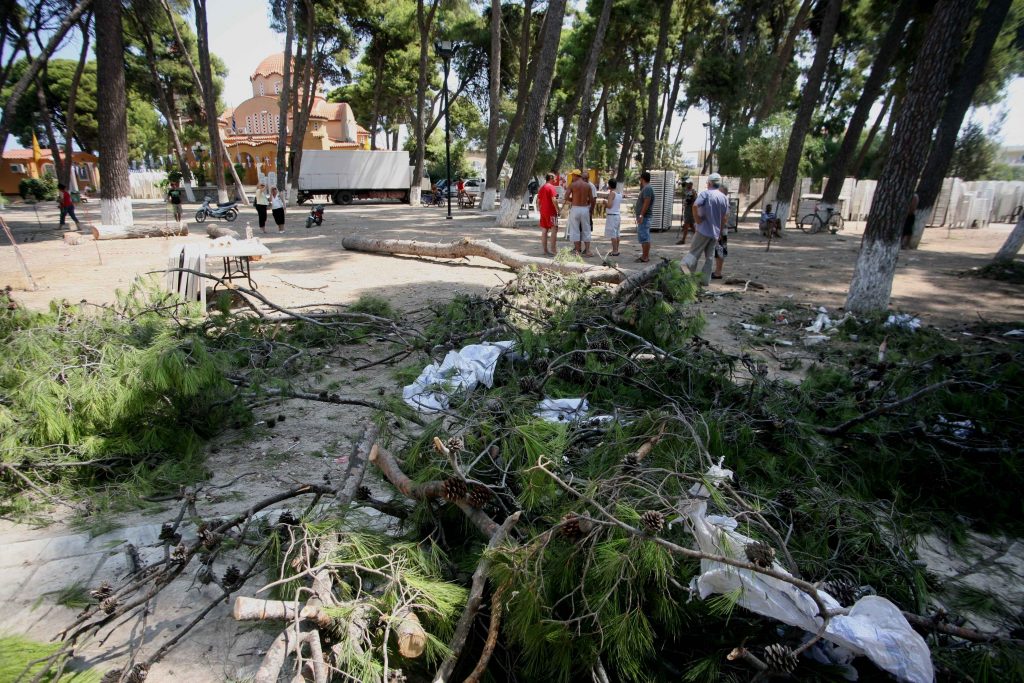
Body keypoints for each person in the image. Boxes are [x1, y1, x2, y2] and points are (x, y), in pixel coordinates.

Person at [683, 172, 729, 285]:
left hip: (703, 230)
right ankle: (704, 280)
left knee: (693, 253)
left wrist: (697, 220)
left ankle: (687, 277)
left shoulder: (706, 194)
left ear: (709, 183)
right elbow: (725, 217)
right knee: (709, 257)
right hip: (715, 232)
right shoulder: (723, 197)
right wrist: (720, 232)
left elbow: (695, 206)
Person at [564, 169, 594, 256]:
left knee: (575, 229)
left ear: (576, 175)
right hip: (584, 208)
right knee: (586, 229)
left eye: (572, 175)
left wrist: (573, 200)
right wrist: (589, 207)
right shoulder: (587, 185)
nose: (572, 177)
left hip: (575, 208)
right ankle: (587, 250)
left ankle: (577, 251)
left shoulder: (572, 185)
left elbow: (566, 196)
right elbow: (591, 199)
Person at [633, 171, 655, 262]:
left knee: (645, 236)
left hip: (645, 217)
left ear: (642, 179)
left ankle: (645, 257)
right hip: (644, 217)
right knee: (644, 236)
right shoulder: (646, 188)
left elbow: (646, 202)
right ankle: (644, 255)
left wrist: (641, 215)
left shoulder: (647, 189)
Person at [537, 173, 559, 255]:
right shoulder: (551, 187)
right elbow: (554, 199)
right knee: (554, 229)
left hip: (543, 211)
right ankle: (553, 250)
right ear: (551, 178)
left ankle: (545, 250)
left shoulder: (542, 187)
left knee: (544, 230)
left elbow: (538, 201)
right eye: (555, 178)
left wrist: (539, 208)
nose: (556, 180)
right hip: (551, 211)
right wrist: (558, 209)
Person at [713, 184, 730, 279]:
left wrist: (719, 232)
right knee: (718, 250)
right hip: (719, 229)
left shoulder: (724, 202)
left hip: (721, 229)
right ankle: (717, 271)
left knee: (720, 250)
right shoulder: (722, 202)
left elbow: (724, 218)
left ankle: (718, 272)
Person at [604, 178, 622, 256]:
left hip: (612, 216)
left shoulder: (612, 194)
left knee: (613, 234)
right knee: (617, 233)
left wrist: (605, 203)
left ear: (609, 185)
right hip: (617, 215)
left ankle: (614, 250)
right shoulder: (619, 194)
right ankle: (616, 249)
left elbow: (609, 205)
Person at [676, 180, 696, 244]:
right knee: (691, 225)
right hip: (687, 209)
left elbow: (694, 201)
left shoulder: (693, 192)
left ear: (691, 184)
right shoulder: (686, 191)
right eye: (686, 183)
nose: (687, 185)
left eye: (688, 184)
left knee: (687, 224)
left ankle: (683, 240)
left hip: (690, 209)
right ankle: (698, 238)